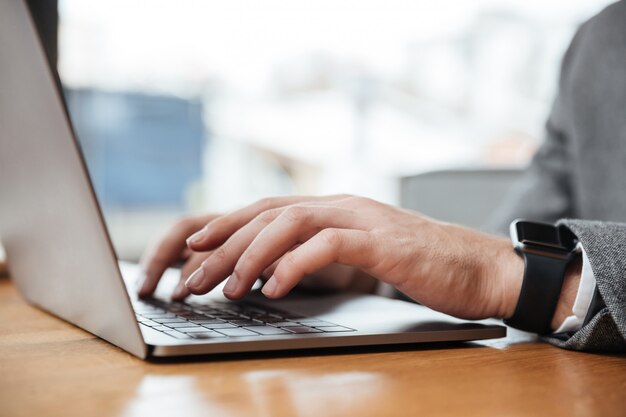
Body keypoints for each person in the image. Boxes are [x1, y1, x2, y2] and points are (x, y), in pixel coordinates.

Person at [138, 1, 626, 353]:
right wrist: (360, 268)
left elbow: (501, 273)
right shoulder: (602, 41)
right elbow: (517, 254)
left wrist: (494, 272)